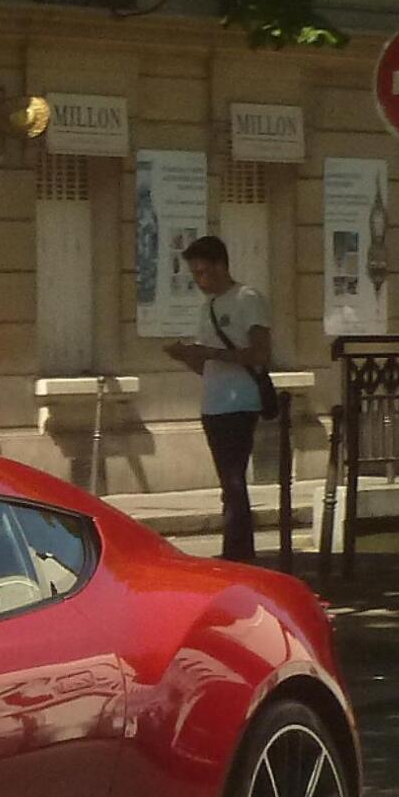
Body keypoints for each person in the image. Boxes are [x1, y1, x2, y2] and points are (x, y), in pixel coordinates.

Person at [162, 236, 271, 564]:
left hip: (240, 402)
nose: (200, 281)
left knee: (234, 481)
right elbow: (206, 366)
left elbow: (260, 352)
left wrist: (209, 352)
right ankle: (237, 552)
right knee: (229, 483)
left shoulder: (246, 298)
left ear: (222, 266)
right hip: (214, 402)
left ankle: (238, 556)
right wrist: (186, 356)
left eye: (204, 273)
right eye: (195, 275)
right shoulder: (207, 308)